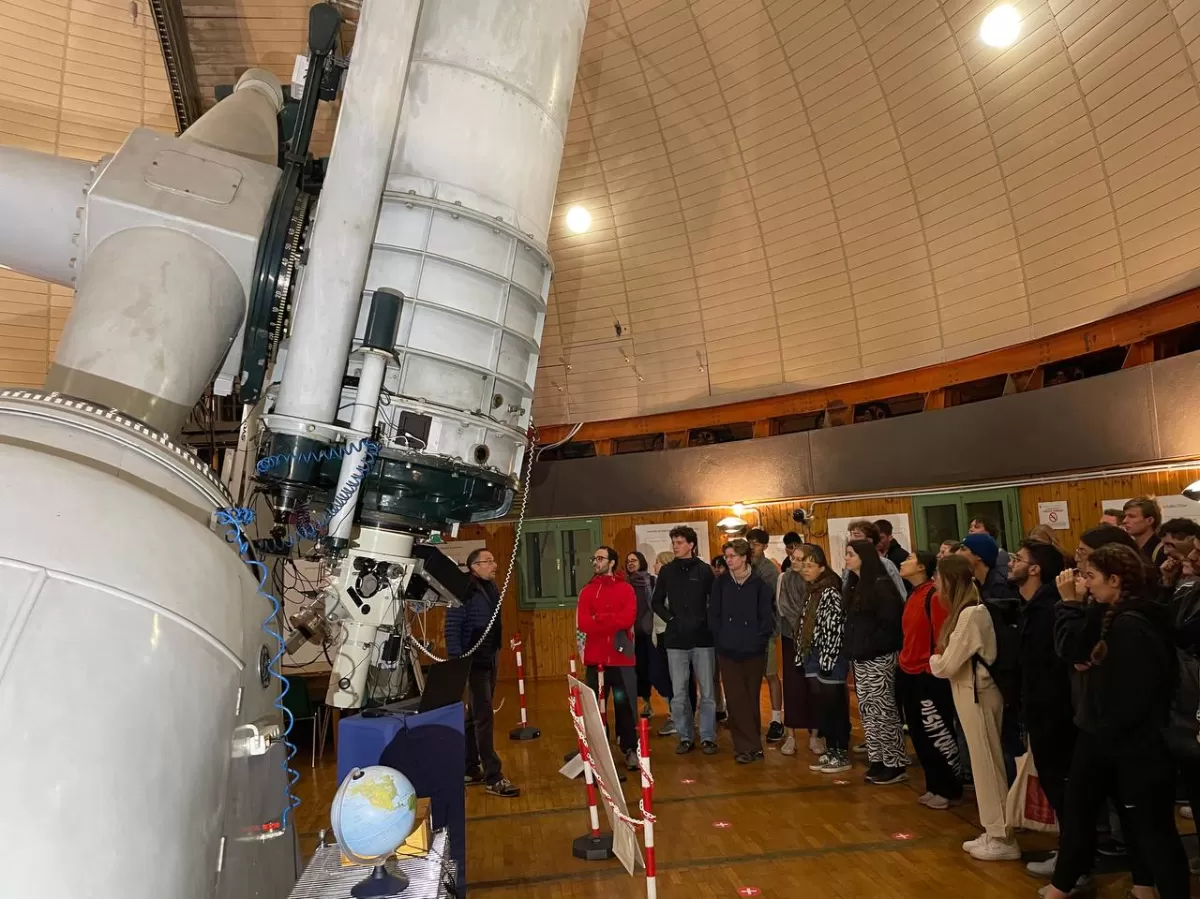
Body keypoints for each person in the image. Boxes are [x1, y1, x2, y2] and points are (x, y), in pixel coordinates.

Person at [1047, 545, 1189, 899]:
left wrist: (1069, 607)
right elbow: (1079, 652)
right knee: (1146, 828)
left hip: (1133, 745)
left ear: (1114, 579)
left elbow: (1129, 694)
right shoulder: (1117, 614)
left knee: (1154, 833)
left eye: (1091, 577)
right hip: (1121, 740)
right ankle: (1142, 888)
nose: (1085, 584)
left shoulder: (1130, 625)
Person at [930, 554, 1019, 861]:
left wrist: (934, 661)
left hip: (978, 693)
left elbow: (947, 664)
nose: (935, 583)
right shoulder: (966, 612)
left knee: (987, 763)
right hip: (969, 691)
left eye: (938, 578)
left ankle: (1002, 836)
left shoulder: (971, 615)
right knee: (984, 762)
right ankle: (993, 827)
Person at [1010, 539, 1080, 884]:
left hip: (1055, 713)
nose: (1011, 563)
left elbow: (1053, 667)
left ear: (1035, 569)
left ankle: (1075, 866)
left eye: (1019, 559)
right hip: (1039, 709)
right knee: (1056, 788)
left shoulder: (1050, 608)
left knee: (1064, 790)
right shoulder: (1033, 607)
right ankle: (1070, 854)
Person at [445, 547, 520, 797]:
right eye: (488, 561)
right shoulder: (464, 590)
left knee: (474, 716)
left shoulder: (490, 588)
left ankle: (470, 767)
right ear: (474, 566)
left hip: (489, 657)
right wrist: (457, 659)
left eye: (493, 560)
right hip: (472, 660)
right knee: (484, 716)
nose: (494, 565)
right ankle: (493, 775)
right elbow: (453, 625)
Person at [897, 550, 962, 809]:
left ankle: (947, 788)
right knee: (919, 736)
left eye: (909, 559)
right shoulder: (913, 594)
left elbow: (941, 636)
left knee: (937, 734)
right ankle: (933, 784)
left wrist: (931, 665)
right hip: (908, 672)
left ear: (922, 566)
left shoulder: (934, 596)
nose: (903, 562)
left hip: (928, 676)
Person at [843, 539, 907, 784]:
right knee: (868, 712)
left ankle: (895, 763)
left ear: (864, 557)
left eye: (850, 554)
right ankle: (878, 758)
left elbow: (890, 625)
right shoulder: (855, 586)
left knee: (884, 711)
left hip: (878, 657)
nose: (847, 558)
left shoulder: (881, 586)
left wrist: (870, 646)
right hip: (861, 657)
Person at [651, 525, 718, 755]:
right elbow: (656, 602)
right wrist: (672, 620)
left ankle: (708, 736)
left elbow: (715, 601)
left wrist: (705, 621)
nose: (675, 546)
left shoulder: (704, 570)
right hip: (676, 639)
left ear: (691, 544)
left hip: (702, 638)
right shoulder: (667, 572)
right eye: (674, 543)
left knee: (708, 692)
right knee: (679, 693)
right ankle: (685, 735)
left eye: (679, 542)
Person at [709, 538, 775, 764]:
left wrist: (758, 639)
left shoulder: (759, 584)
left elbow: (767, 618)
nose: (728, 560)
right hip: (728, 651)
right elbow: (714, 614)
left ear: (744, 557)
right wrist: (721, 637)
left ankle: (753, 745)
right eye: (726, 556)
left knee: (750, 698)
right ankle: (745, 747)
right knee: (736, 700)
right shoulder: (721, 583)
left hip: (753, 651)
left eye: (732, 556)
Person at [578, 546, 639, 770]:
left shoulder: (625, 589)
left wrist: (600, 618)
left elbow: (627, 618)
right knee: (594, 707)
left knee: (624, 705)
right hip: (596, 660)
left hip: (619, 659)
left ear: (612, 562)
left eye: (600, 558)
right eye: (594, 558)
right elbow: (584, 623)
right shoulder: (587, 591)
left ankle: (630, 748)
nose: (596, 561)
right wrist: (608, 620)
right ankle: (596, 750)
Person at [797, 545, 852, 774]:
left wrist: (827, 661)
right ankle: (831, 751)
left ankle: (840, 752)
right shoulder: (812, 590)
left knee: (834, 706)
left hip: (829, 657)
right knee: (821, 706)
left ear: (822, 567)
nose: (805, 569)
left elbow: (833, 629)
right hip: (813, 653)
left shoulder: (830, 591)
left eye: (810, 566)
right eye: (803, 565)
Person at [777, 540, 819, 756]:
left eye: (799, 559)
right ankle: (791, 735)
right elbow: (783, 607)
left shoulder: (818, 581)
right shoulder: (784, 578)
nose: (794, 561)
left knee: (814, 685)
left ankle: (815, 735)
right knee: (792, 687)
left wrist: (809, 630)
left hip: (814, 640)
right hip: (791, 638)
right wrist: (800, 628)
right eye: (792, 557)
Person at [747, 527, 784, 742]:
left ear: (765, 546)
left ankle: (776, 719)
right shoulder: (746, 565)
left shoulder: (769, 570)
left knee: (770, 675)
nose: (752, 547)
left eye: (757, 544)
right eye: (750, 543)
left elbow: (769, 600)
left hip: (765, 628)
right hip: (747, 630)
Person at [626, 551, 660, 719]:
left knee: (652, 669)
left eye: (634, 560)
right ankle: (645, 704)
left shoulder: (652, 581)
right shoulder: (625, 584)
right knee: (637, 671)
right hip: (630, 635)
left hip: (649, 633)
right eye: (628, 561)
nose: (630, 563)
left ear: (642, 561)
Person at [844, 519, 908, 596]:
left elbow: (900, 594)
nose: (852, 539)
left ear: (869, 540)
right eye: (851, 535)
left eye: (856, 535)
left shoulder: (886, 564)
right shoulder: (851, 564)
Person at [1121, 496, 1164, 565]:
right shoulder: (1129, 548)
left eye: (1132, 516)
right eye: (1125, 516)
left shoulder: (1162, 550)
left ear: (1149, 520)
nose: (1124, 521)